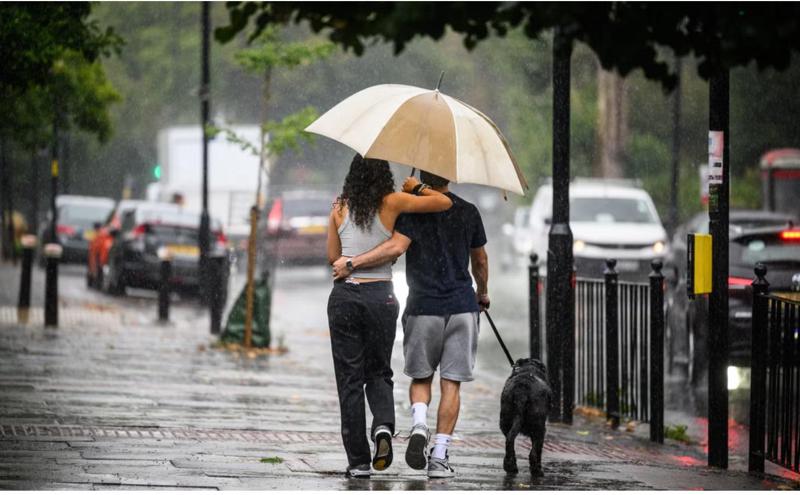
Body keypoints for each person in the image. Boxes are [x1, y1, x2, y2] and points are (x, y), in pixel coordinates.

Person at [332, 170, 489, 479]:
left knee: (421, 377)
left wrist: (354, 261)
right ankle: (440, 456)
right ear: (450, 177)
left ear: (423, 176)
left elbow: (395, 247)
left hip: (423, 306)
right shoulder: (469, 211)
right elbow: (480, 260)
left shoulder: (411, 209)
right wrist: (482, 293)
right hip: (461, 305)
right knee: (451, 383)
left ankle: (418, 424)